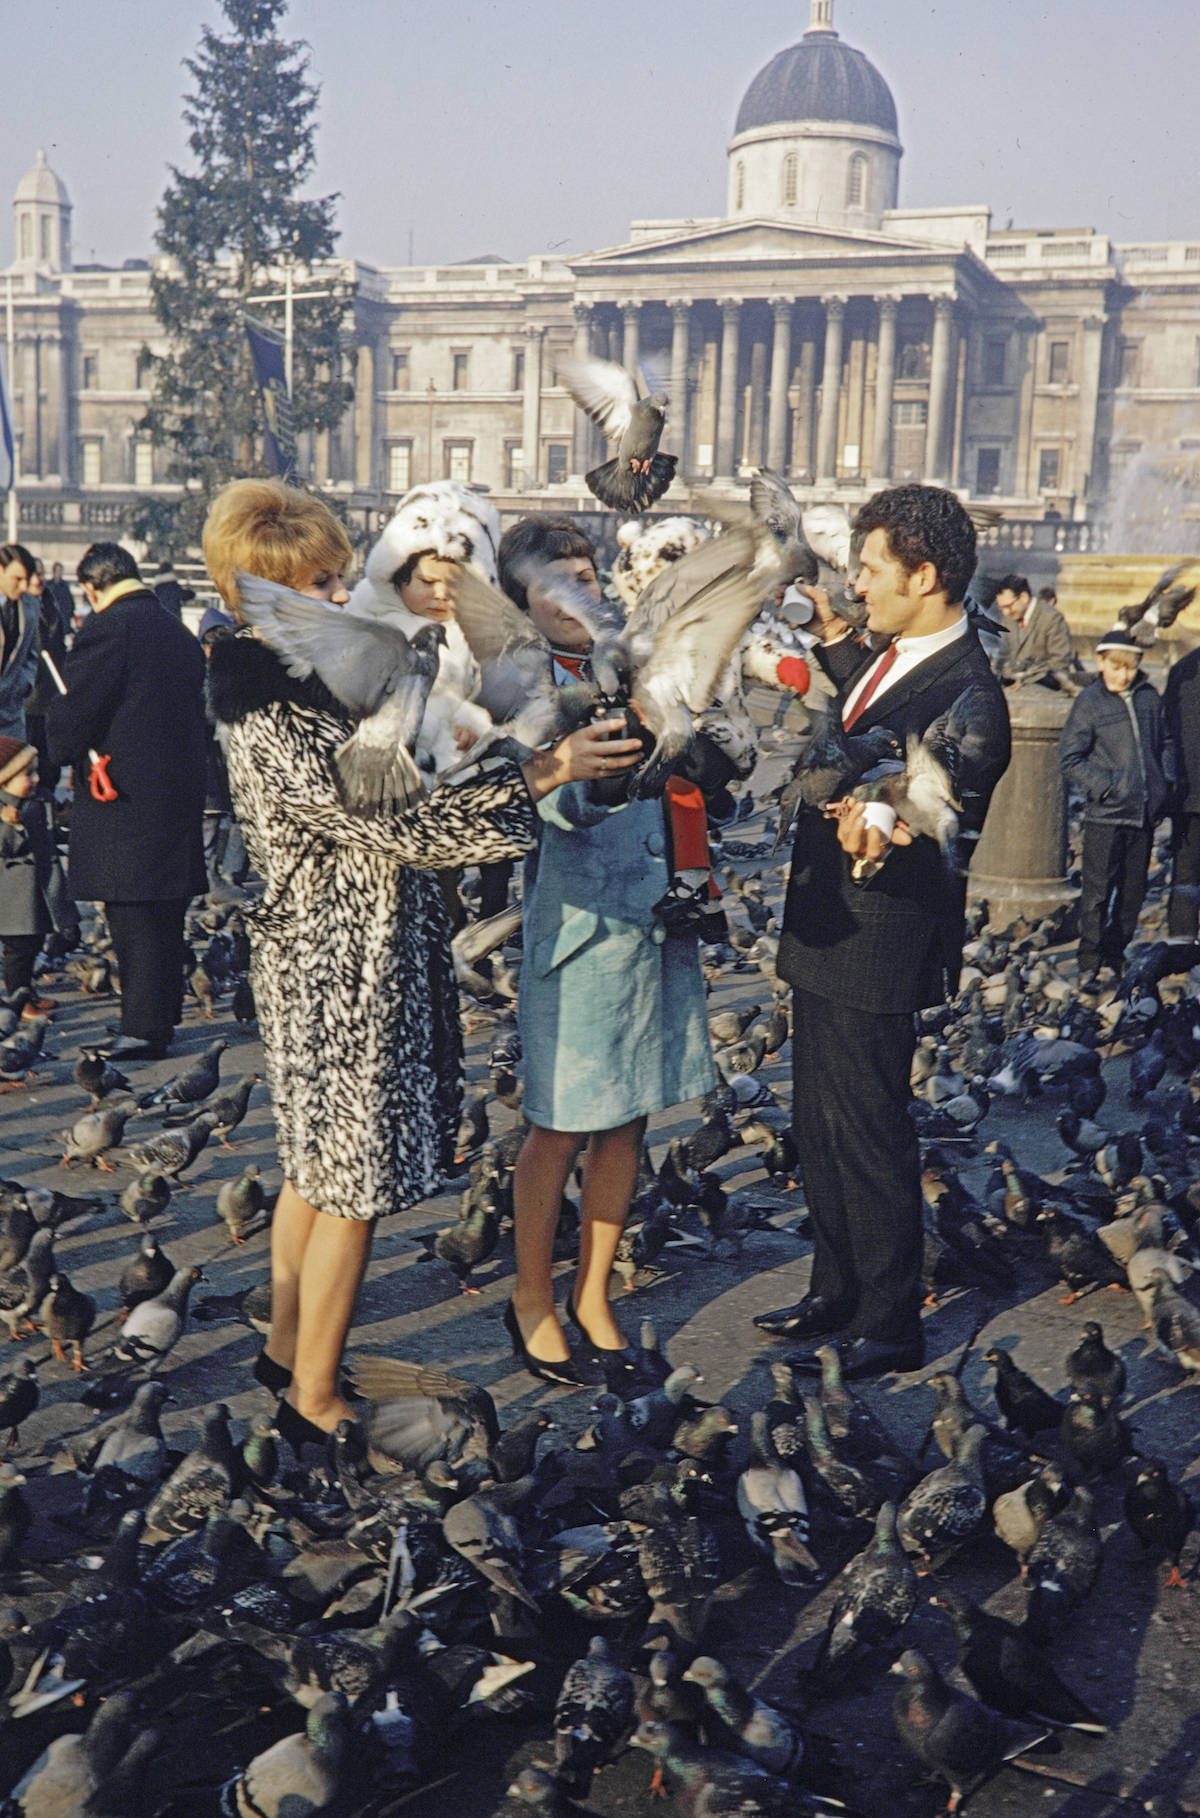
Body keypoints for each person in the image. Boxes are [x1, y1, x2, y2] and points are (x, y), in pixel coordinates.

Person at [202, 478, 638, 1446]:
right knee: (349, 1187)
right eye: (316, 584)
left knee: (312, 1176)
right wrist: (543, 775)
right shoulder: (276, 711)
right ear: (257, 596)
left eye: (336, 575)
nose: (337, 597)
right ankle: (313, 1396)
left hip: (324, 957)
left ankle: (285, 1348)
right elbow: (402, 826)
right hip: (339, 972)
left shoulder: (297, 680)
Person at [757, 485, 1011, 1381]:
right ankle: (835, 1285)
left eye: (869, 569)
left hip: (881, 934)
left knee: (869, 1128)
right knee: (819, 1122)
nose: (856, 583)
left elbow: (943, 808)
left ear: (925, 574)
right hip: (828, 927)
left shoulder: (973, 697)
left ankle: (890, 1317)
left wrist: (886, 822)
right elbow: (869, 718)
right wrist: (831, 643)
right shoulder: (891, 649)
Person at [505, 512, 718, 1384]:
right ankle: (529, 1296)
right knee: (558, 1127)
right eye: (556, 580)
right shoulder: (511, 684)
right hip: (578, 934)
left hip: (655, 920)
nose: (579, 591)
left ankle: (593, 1291)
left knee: (628, 1119)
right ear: (519, 599)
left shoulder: (629, 663)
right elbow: (536, 805)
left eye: (588, 573)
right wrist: (575, 773)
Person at [45, 542, 208, 1061]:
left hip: (125, 793)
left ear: (93, 588)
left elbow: (74, 719)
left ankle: (140, 1026)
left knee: (131, 911)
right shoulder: (177, 633)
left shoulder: (107, 629)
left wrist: (60, 734)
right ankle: (160, 1019)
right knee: (166, 909)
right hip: (177, 791)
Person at [1058, 627, 1172, 982]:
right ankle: (1089, 962)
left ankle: (1115, 952)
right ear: (1101, 662)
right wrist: (1106, 788)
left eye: (1129, 668)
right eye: (1116, 667)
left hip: (1144, 815)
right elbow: (1070, 757)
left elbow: (1167, 742)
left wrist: (1165, 783)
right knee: (1096, 893)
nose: (1123, 675)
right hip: (1106, 816)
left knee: (1133, 893)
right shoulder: (1089, 702)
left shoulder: (1149, 697)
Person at [0, 736, 71, 1008]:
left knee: (32, 943)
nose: (37, 778)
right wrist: (12, 827)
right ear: (4, 780)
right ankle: (19, 998)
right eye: (28, 774)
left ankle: (26, 990)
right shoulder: (6, 809)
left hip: (36, 889)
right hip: (13, 897)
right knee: (18, 948)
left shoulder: (34, 800)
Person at [21, 557, 70, 785]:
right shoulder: (16, 609)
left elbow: (58, 650)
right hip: (25, 701)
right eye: (33, 574)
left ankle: (47, 810)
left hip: (49, 699)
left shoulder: (51, 606)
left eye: (41, 573)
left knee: (49, 766)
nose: (38, 579)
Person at [1164, 639, 1200, 944]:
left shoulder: (1181, 669)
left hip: (1188, 794)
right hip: (1190, 795)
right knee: (1186, 873)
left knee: (1185, 875)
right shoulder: (1182, 669)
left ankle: (1181, 944)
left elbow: (1168, 736)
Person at [992, 572, 1077, 691]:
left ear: (1023, 597)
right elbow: (1004, 655)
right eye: (1001, 608)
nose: (1005, 612)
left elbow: (1060, 662)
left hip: (1045, 687)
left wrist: (1024, 680)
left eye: (1008, 606)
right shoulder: (1009, 619)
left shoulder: (1051, 618)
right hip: (1014, 687)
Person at [0, 544, 41, 740]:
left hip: (11, 718)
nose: (24, 586)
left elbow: (32, 654)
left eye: (27, 579)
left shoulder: (31, 606)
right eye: (17, 579)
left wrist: (24, 684)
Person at [45, 562, 75, 637]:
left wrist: (70, 614)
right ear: (53, 571)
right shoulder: (48, 585)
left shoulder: (65, 585)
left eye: (60, 571)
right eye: (57, 571)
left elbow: (69, 602)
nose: (58, 573)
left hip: (63, 617)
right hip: (51, 617)